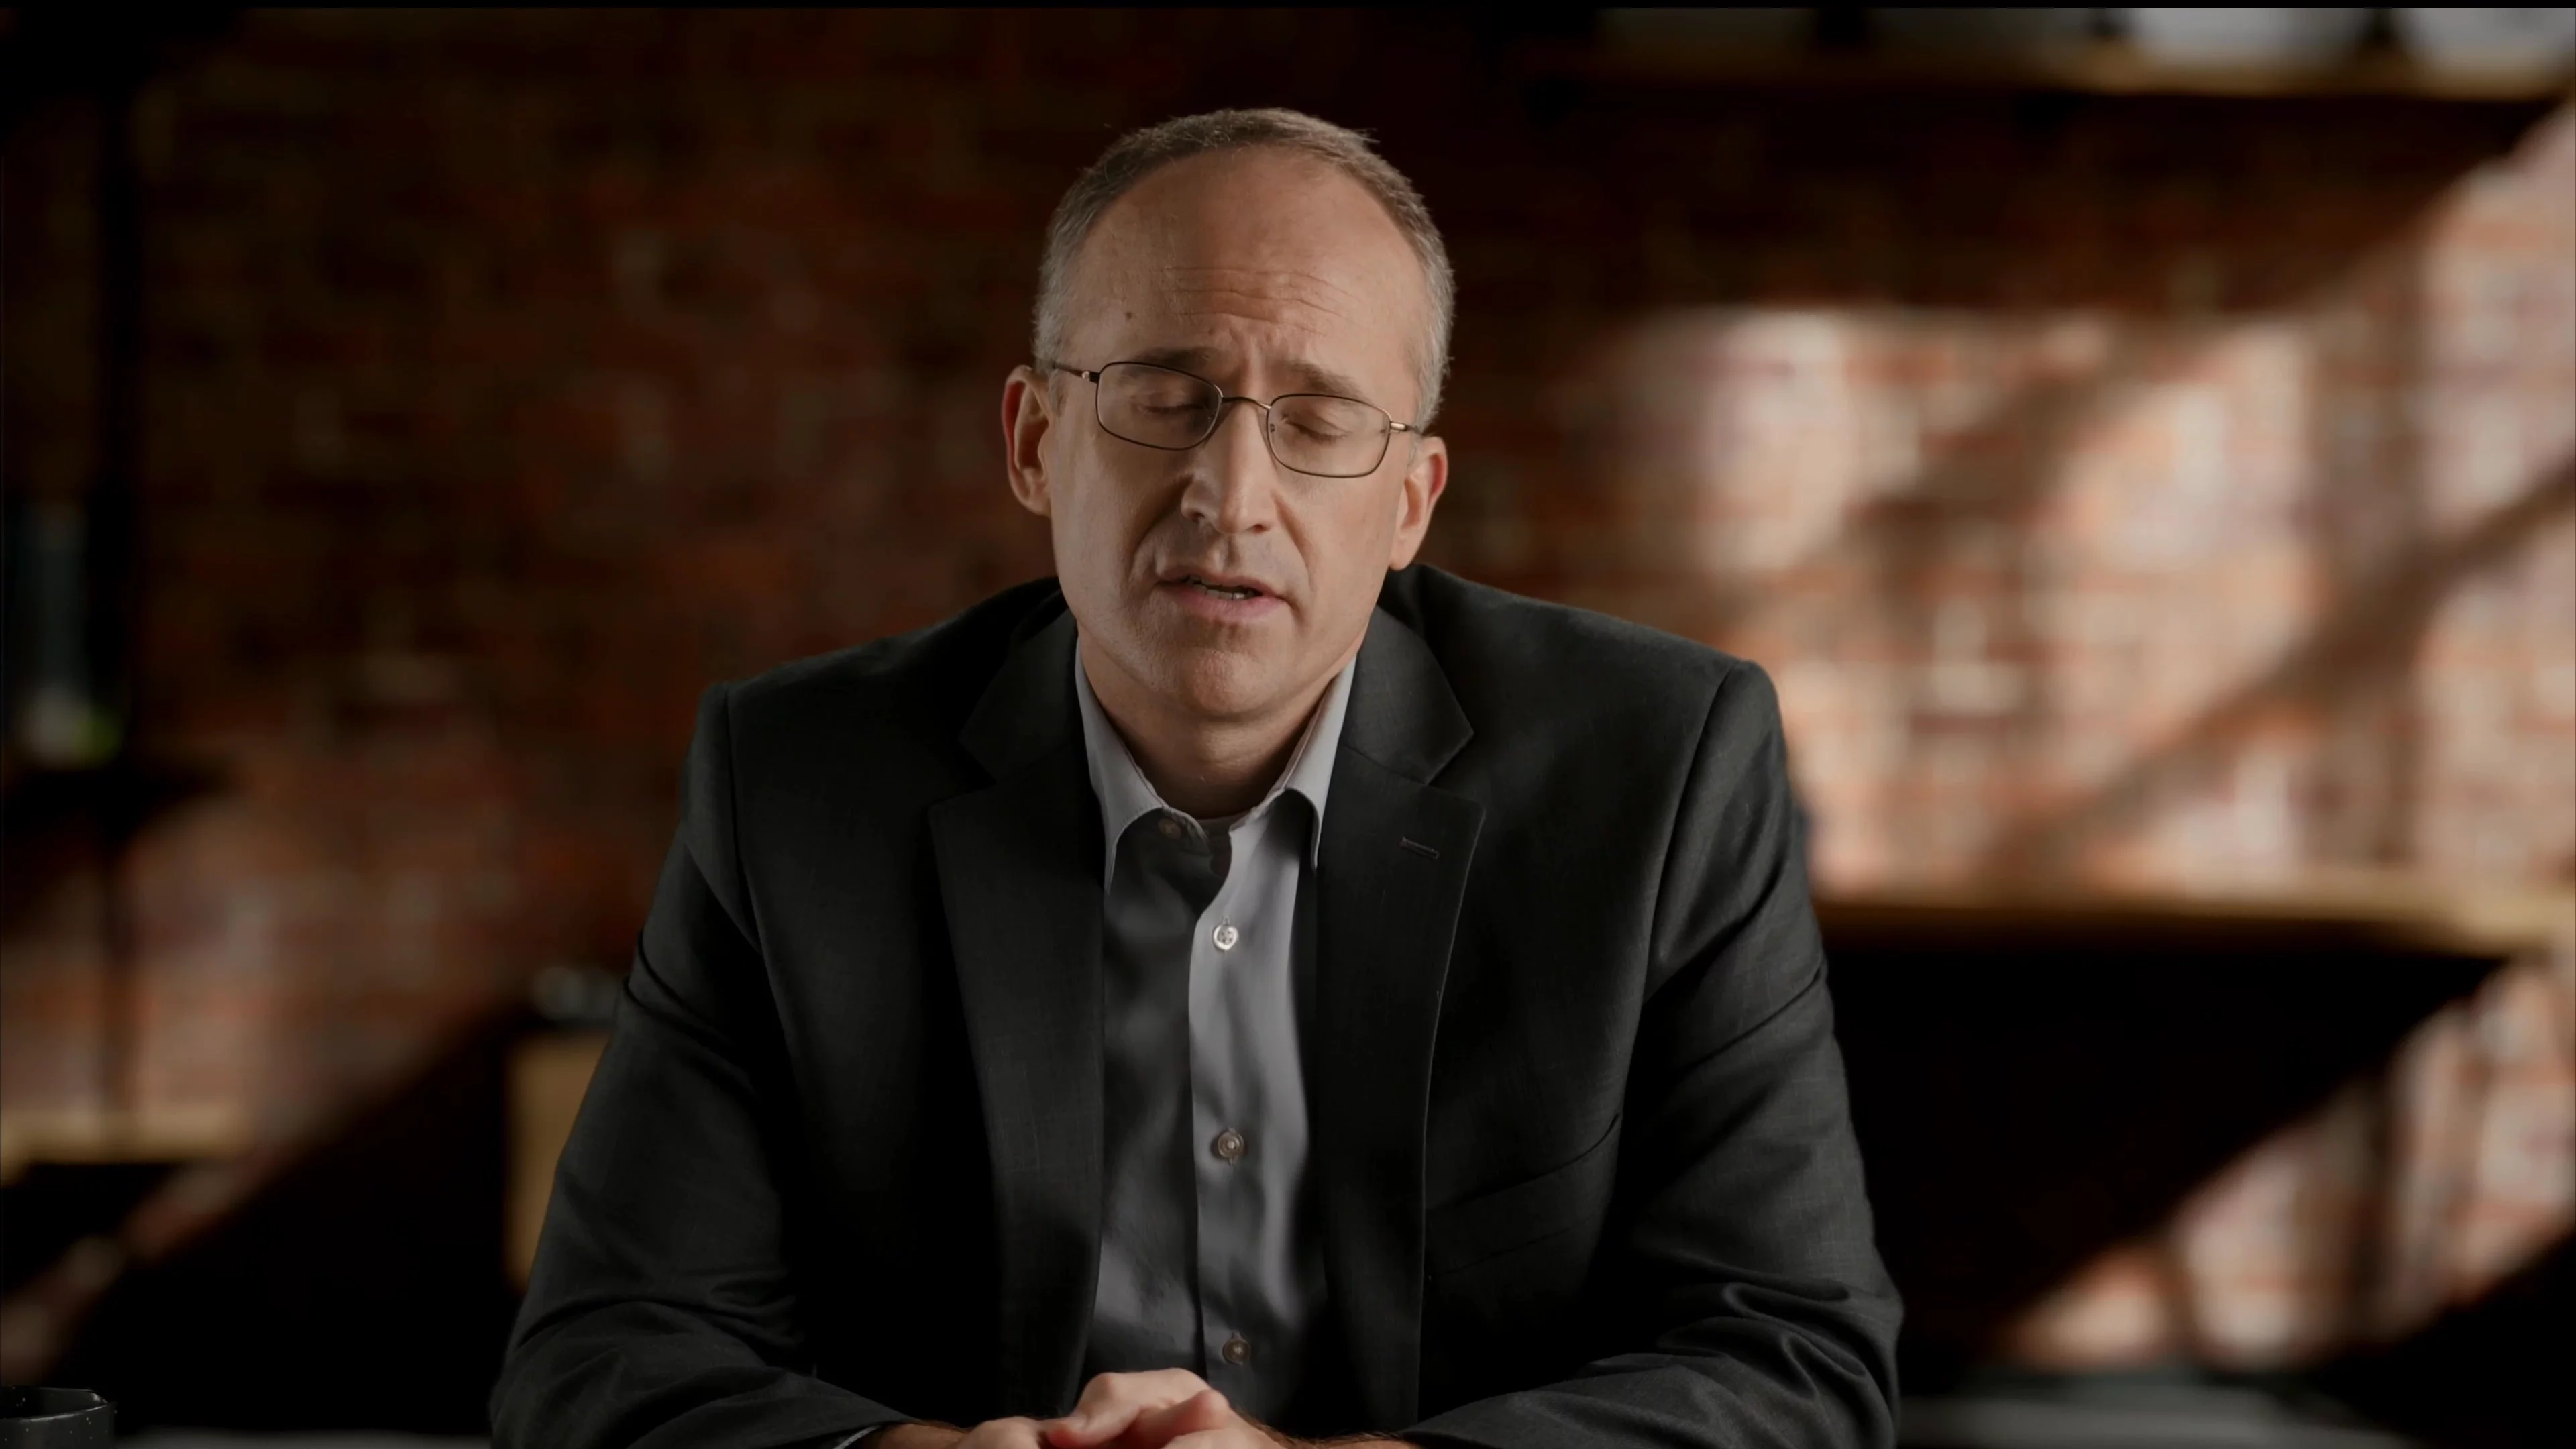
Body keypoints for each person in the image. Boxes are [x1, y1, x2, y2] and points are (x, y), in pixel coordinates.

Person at [492, 107, 1899, 1449]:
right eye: (1165, 399)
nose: (1231, 495)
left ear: (1409, 503)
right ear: (1034, 443)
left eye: (1321, 421)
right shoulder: (795, 790)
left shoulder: (1658, 774)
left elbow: (1793, 1358)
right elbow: (607, 1357)